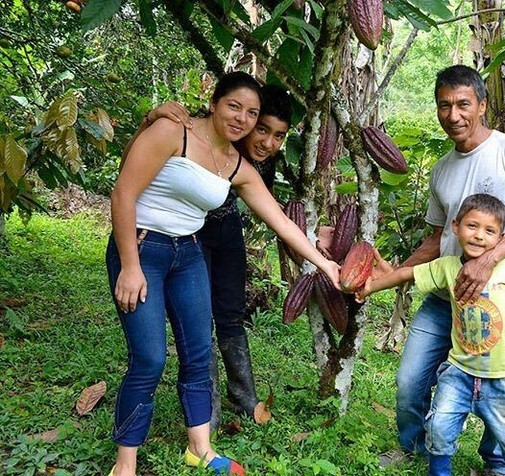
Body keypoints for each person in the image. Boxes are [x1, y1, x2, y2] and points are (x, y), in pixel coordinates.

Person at [106, 72, 340, 476]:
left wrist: (325, 264)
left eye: (251, 113)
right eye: (234, 106)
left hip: (189, 254)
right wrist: (130, 265)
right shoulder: (172, 131)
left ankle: (200, 449)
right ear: (214, 102)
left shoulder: (238, 165)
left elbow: (282, 223)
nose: (243, 119)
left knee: (198, 354)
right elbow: (123, 192)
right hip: (144, 248)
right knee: (149, 359)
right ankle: (125, 463)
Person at [380, 65, 505, 475]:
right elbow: (438, 239)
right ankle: (413, 445)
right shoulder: (441, 169)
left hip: (496, 299)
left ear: (482, 105)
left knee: (498, 382)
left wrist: (488, 261)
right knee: (409, 382)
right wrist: (392, 272)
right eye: (444, 105)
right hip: (444, 299)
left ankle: (497, 462)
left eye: (462, 104)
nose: (453, 115)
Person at [358, 193, 505, 476]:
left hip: (502, 378)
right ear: (455, 227)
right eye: (472, 226)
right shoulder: (447, 267)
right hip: (458, 373)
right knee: (440, 430)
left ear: (501, 237)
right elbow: (406, 275)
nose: (479, 236)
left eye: (489, 230)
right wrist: (370, 286)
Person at [145, 83, 292, 426]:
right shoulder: (207, 138)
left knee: (230, 313)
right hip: (188, 236)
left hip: (226, 234)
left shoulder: (258, 160)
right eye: (262, 130)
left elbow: (270, 209)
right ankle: (204, 414)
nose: (268, 143)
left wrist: (313, 237)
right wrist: (152, 116)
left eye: (279, 136)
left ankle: (245, 400)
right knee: (199, 321)